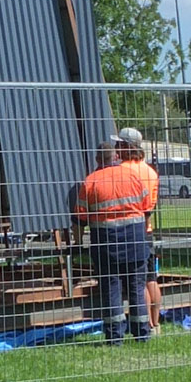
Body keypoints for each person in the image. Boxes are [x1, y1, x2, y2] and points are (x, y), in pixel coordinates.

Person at [75, 139, 152, 344]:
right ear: (116, 157)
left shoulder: (90, 182)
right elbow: (147, 209)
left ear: (97, 159)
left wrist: (77, 243)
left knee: (111, 289)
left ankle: (115, 336)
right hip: (135, 242)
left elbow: (80, 219)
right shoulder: (133, 176)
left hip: (106, 246)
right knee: (136, 287)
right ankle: (142, 333)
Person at [114, 127, 163, 335]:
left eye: (119, 144)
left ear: (126, 146)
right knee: (151, 278)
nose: (116, 148)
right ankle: (156, 323)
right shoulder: (150, 171)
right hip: (147, 229)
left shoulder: (123, 171)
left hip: (130, 230)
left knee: (137, 280)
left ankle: (145, 325)